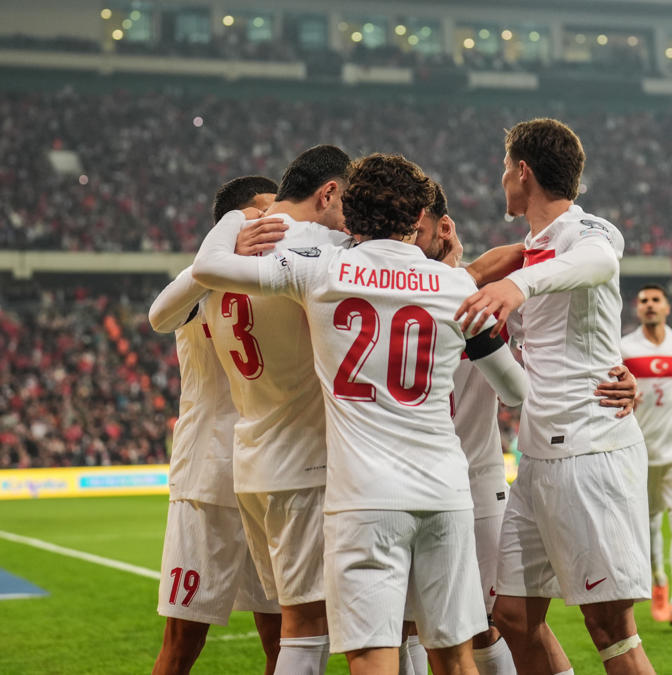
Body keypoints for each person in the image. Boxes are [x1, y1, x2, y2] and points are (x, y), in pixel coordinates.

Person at [193, 153, 529, 675]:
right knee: (454, 656)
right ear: (418, 217)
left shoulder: (321, 269)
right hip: (444, 491)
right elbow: (513, 390)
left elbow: (208, 268)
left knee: (373, 656)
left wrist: (238, 218)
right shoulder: (457, 286)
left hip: (363, 499)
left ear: (349, 214)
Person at [457, 118, 654, 675]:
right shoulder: (532, 249)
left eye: (504, 169)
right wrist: (506, 271)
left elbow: (600, 261)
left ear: (523, 171)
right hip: (540, 455)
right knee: (513, 616)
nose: (501, 180)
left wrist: (517, 285)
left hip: (590, 451)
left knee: (610, 628)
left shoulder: (584, 230)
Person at [198, 145, 353, 675]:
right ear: (328, 193)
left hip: (253, 463)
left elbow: (165, 309)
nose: (350, 219)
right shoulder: (322, 247)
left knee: (295, 625)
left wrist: (232, 223)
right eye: (347, 202)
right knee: (310, 631)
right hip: (306, 465)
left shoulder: (228, 255)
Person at [149, 175, 282, 675]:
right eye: (265, 211)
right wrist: (226, 243)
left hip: (266, 474)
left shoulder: (278, 275)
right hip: (206, 479)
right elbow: (159, 316)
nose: (278, 220)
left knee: (284, 638)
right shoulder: (201, 278)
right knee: (183, 641)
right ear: (238, 217)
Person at [620, 284, 672, 627]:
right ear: (637, 309)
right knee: (651, 523)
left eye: (656, 300)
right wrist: (627, 396)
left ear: (667, 307)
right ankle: (659, 582)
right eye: (644, 301)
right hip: (642, 450)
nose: (650, 305)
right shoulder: (624, 348)